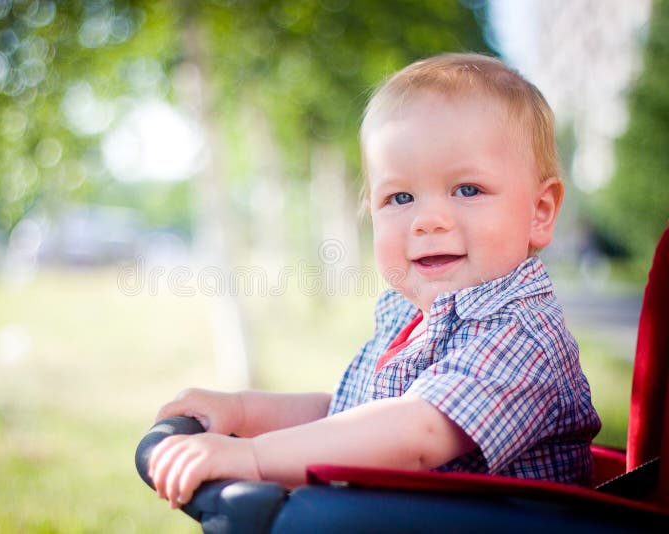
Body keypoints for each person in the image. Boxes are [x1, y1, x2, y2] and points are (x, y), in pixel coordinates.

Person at [148, 52, 602, 509]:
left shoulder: (521, 334)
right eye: (400, 197)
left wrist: (254, 457)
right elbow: (349, 418)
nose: (428, 221)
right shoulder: (411, 315)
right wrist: (244, 414)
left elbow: (416, 434)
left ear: (540, 212)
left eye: (468, 190)